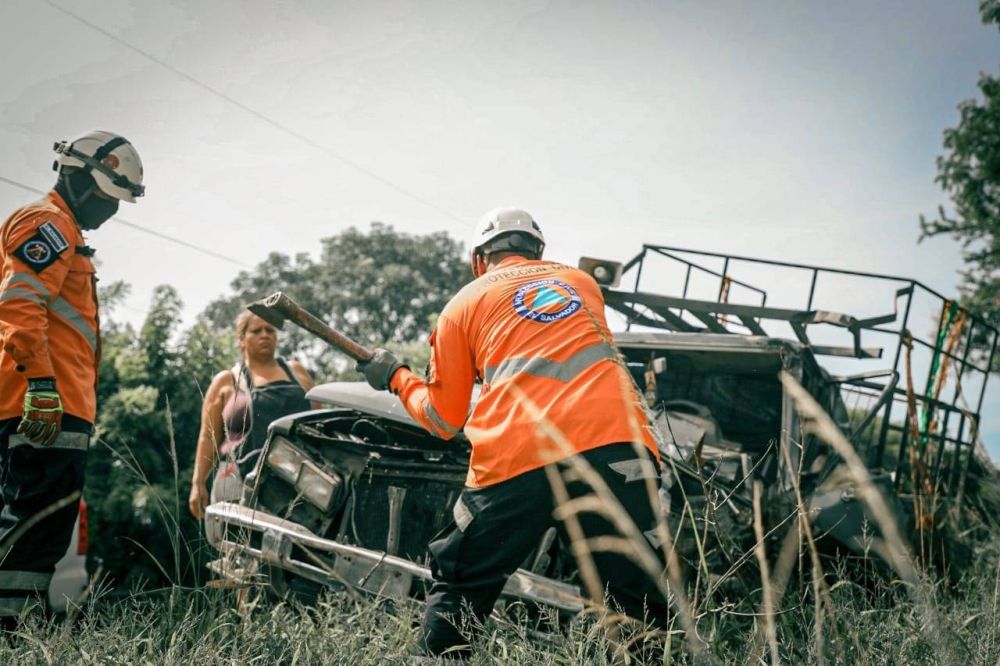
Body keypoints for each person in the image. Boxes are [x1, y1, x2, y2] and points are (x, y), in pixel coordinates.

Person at [357, 207, 670, 659]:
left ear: (477, 259)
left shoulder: (461, 306)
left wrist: (396, 376)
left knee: (462, 581)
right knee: (634, 597)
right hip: (618, 444)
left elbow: (444, 421)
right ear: (538, 250)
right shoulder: (582, 285)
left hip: (520, 453)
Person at [0, 130, 145, 621]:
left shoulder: (67, 233)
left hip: (53, 404)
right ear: (79, 176)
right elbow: (19, 304)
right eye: (109, 195)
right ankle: (11, 635)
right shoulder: (49, 223)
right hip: (42, 406)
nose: (112, 208)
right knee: (32, 531)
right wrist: (41, 386)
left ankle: (17, 627)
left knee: (38, 530)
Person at [189, 310, 316, 520]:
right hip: (238, 483)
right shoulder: (226, 381)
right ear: (241, 338)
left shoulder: (298, 373)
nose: (265, 335)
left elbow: (319, 424)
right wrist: (198, 483)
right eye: (256, 330)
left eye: (270, 330)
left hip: (299, 485)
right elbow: (208, 438)